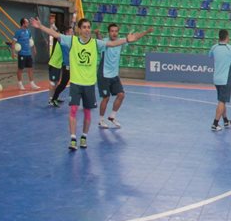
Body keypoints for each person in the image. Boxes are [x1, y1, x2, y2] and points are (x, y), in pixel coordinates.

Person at [31, 17, 147, 150]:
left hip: (89, 84)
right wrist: (41, 26)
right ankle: (73, 138)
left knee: (87, 112)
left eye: (88, 27)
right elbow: (56, 34)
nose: (87, 30)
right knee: (73, 110)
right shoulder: (72, 40)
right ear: (79, 29)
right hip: (76, 83)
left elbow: (111, 44)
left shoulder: (95, 43)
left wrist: (126, 40)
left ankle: (84, 137)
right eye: (84, 27)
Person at [99, 22, 153, 129]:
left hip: (114, 74)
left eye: (116, 31)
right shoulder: (105, 42)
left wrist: (146, 32)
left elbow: (135, 37)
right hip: (104, 74)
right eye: (112, 31)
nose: (114, 33)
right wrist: (97, 34)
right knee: (106, 98)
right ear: (109, 32)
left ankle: (112, 116)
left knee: (121, 95)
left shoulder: (120, 42)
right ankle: (101, 120)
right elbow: (99, 40)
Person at [210, 30, 231, 131]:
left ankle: (226, 121)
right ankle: (215, 124)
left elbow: (211, 55)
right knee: (222, 101)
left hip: (216, 78)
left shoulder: (214, 47)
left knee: (221, 100)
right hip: (225, 79)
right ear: (227, 37)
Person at [9, 18, 39, 90]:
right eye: (27, 22)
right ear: (23, 24)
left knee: (30, 68)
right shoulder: (18, 32)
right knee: (20, 69)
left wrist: (34, 48)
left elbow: (31, 40)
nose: (28, 24)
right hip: (22, 54)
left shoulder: (28, 31)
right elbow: (13, 42)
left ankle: (32, 84)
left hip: (28, 53)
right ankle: (20, 84)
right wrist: (13, 52)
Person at [46, 25, 72, 107]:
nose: (72, 33)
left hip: (59, 65)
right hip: (54, 64)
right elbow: (56, 35)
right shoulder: (62, 39)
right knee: (53, 83)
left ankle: (55, 98)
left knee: (57, 83)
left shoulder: (67, 41)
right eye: (71, 32)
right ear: (67, 33)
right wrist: (53, 28)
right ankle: (51, 99)